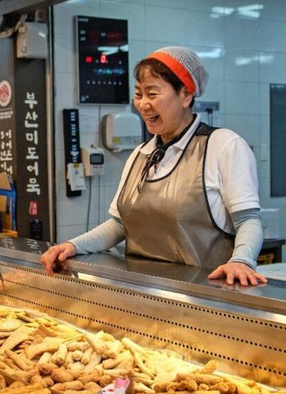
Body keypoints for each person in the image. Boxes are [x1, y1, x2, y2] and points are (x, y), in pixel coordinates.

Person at [41, 46, 265, 287]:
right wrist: (73, 245)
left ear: (186, 95)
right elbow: (119, 225)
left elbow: (248, 220)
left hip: (206, 298)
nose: (143, 104)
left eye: (153, 93)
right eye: (138, 94)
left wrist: (242, 260)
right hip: (143, 296)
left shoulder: (223, 146)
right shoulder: (141, 154)